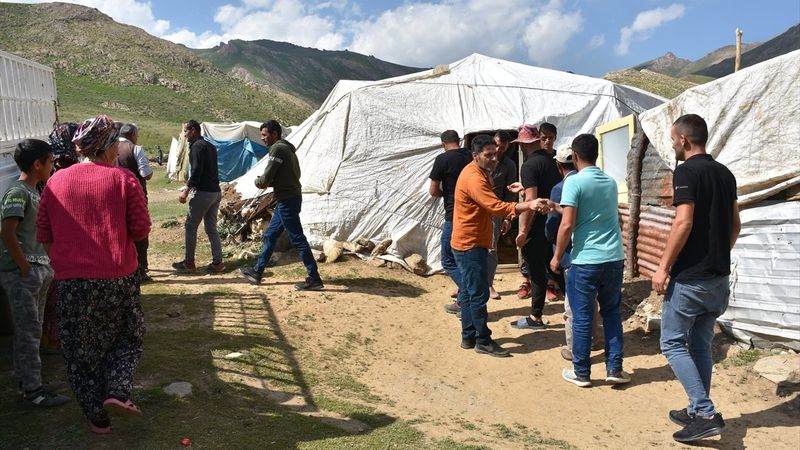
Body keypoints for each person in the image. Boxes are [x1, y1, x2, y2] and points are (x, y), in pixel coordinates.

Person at [37, 114, 151, 433]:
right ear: (107, 146)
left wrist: (65, 263)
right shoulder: (123, 180)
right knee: (127, 334)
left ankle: (96, 418)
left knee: (79, 347)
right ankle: (116, 391)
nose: (118, 147)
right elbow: (141, 229)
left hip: (71, 281)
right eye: (115, 142)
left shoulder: (56, 181)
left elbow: (43, 232)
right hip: (119, 277)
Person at [652, 114, 739, 443]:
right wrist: (718, 253)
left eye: (674, 139)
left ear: (684, 140)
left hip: (691, 278)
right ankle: (695, 407)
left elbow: (683, 222)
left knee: (672, 343)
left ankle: (703, 413)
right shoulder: (724, 173)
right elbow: (735, 225)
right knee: (700, 343)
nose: (673, 144)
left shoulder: (686, 171)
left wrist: (662, 267)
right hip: (718, 276)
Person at [452, 134, 543, 357]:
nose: (494, 158)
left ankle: (469, 336)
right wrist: (528, 203)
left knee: (468, 291)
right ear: (475, 156)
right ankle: (482, 339)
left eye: (495, 154)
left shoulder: (481, 173)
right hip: (470, 243)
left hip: (471, 240)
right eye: (488, 155)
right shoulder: (473, 177)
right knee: (478, 293)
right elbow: (495, 206)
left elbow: (489, 206)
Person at [550, 134, 628, 388]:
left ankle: (581, 372)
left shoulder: (574, 182)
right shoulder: (609, 182)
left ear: (574, 156)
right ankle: (614, 368)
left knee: (582, 317)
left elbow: (568, 224)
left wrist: (556, 256)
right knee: (612, 314)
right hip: (614, 258)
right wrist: (556, 206)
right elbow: (595, 215)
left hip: (585, 260)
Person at [0, 139, 69, 407]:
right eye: (51, 161)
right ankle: (34, 392)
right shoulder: (18, 192)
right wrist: (26, 268)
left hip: (35, 273)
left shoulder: (32, 191)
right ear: (37, 164)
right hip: (22, 274)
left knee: (33, 330)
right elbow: (7, 231)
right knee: (29, 331)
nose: (53, 166)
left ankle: (28, 382)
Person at [239, 120, 324, 291]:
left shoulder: (277, 149)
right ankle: (257, 271)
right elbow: (291, 176)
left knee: (297, 238)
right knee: (270, 235)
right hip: (288, 198)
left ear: (275, 134)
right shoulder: (288, 150)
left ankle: (314, 278)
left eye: (264, 135)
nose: (262, 139)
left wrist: (259, 181)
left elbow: (265, 179)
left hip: (287, 200)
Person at [544, 144, 602, 361]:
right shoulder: (597, 182)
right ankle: (594, 338)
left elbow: (556, 226)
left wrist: (555, 252)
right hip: (595, 251)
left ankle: (574, 346)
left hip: (571, 252)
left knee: (573, 302)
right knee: (591, 299)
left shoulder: (562, 187)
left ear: (558, 165)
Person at [511, 123, 562, 330]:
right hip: (559, 219)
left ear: (523, 144)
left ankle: (535, 317)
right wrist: (525, 187)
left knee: (538, 271)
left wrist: (523, 231)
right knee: (558, 267)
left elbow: (532, 201)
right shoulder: (555, 160)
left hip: (539, 225)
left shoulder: (530, 165)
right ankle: (581, 314)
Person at [172, 119, 225, 273]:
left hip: (204, 193)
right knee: (211, 228)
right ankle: (218, 262)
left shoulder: (196, 147)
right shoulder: (209, 145)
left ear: (194, 130)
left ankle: (189, 263)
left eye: (187, 131)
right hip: (216, 191)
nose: (185, 135)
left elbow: (196, 171)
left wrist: (186, 189)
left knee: (190, 226)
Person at [428, 130, 471, 315]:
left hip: (453, 213)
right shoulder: (471, 155)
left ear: (443, 144)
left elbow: (433, 190)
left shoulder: (442, 159)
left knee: (447, 258)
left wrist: (445, 195)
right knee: (465, 259)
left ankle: (469, 294)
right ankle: (463, 301)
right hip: (472, 213)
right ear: (459, 141)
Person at [117, 123, 153, 282]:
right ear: (133, 135)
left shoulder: (111, 147)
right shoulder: (135, 149)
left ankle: (124, 267)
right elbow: (146, 174)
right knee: (139, 230)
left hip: (116, 197)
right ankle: (141, 268)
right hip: (135, 195)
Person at [486, 131, 517, 300]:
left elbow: (510, 193)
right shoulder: (481, 159)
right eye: (497, 145)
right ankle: (464, 286)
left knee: (491, 248)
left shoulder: (509, 165)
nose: (498, 150)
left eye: (502, 147)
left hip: (495, 211)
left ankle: (489, 284)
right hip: (476, 209)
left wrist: (507, 217)